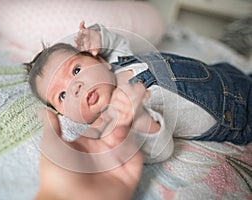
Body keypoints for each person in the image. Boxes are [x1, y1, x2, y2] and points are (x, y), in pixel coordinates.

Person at [27, 21, 252, 199]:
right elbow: (162, 149)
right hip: (239, 114)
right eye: (62, 95)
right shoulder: (116, 123)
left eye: (76, 70)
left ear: (101, 62)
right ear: (63, 114)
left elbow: (114, 41)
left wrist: (98, 37)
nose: (75, 87)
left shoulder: (117, 60)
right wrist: (140, 118)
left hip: (226, 74)